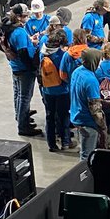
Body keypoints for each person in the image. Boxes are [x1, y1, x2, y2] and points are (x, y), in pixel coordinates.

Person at [1, 4, 42, 137]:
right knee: (24, 97)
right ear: (18, 17)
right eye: (25, 16)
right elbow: (23, 52)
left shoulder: (10, 27)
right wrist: (32, 67)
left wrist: (30, 41)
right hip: (24, 69)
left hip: (15, 66)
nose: (27, 18)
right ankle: (23, 126)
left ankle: (20, 117)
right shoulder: (19, 32)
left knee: (18, 94)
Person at [38, 23, 72, 151]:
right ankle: (66, 141)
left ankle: (51, 144)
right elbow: (65, 74)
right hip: (62, 90)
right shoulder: (62, 56)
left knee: (50, 117)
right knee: (63, 116)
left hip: (47, 90)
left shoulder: (43, 52)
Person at [70, 48, 107, 161]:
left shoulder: (77, 71)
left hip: (76, 115)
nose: (101, 62)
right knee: (87, 157)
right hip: (88, 122)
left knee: (84, 151)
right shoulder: (91, 80)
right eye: (99, 59)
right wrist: (102, 126)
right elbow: (95, 109)